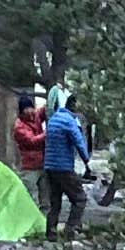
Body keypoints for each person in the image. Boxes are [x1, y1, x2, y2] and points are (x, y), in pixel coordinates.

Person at [39, 90, 89, 240]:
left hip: (50, 167)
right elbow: (79, 143)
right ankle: (70, 229)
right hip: (64, 167)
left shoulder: (53, 119)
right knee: (80, 199)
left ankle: (51, 233)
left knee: (55, 202)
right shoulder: (69, 121)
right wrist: (87, 162)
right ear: (73, 106)